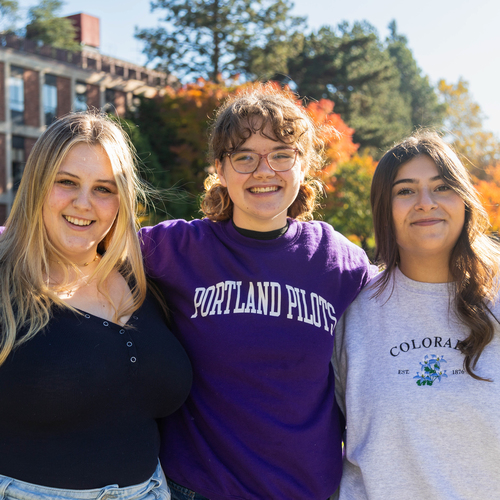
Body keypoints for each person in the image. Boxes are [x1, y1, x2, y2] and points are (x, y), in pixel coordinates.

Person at [140, 85, 373, 500]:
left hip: (308, 491)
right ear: (220, 169)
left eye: (281, 155)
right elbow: (76, 240)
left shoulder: (336, 258)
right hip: (199, 490)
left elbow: (413, 287)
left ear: (304, 166)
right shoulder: (177, 249)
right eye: (244, 156)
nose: (264, 171)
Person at [0, 113, 192, 499]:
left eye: (104, 189)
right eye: (67, 182)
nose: (83, 203)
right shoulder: (5, 284)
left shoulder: (147, 280)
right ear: (37, 185)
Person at [333, 131, 500, 499]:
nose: (425, 203)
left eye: (441, 188)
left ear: (465, 200)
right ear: (384, 208)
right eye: (405, 191)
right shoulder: (352, 308)